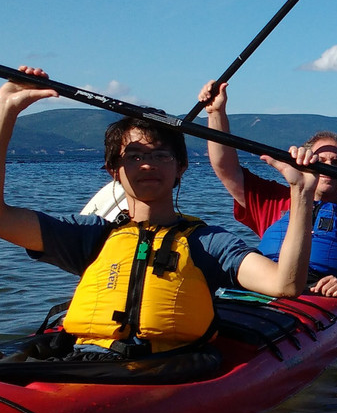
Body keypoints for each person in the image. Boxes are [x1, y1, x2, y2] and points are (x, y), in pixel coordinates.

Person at [0, 67, 320, 363]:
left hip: (169, 369)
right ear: (113, 169)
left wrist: (301, 193)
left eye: (161, 155)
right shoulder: (89, 235)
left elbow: (285, 284)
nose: (147, 165)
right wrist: (7, 110)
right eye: (134, 156)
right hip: (84, 364)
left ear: (181, 167)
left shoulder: (209, 243)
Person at [198, 80, 337, 302]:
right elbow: (226, 168)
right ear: (305, 163)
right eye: (320, 161)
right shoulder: (274, 200)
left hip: (320, 296)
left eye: (336, 163)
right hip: (266, 286)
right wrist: (216, 113)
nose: (328, 168)